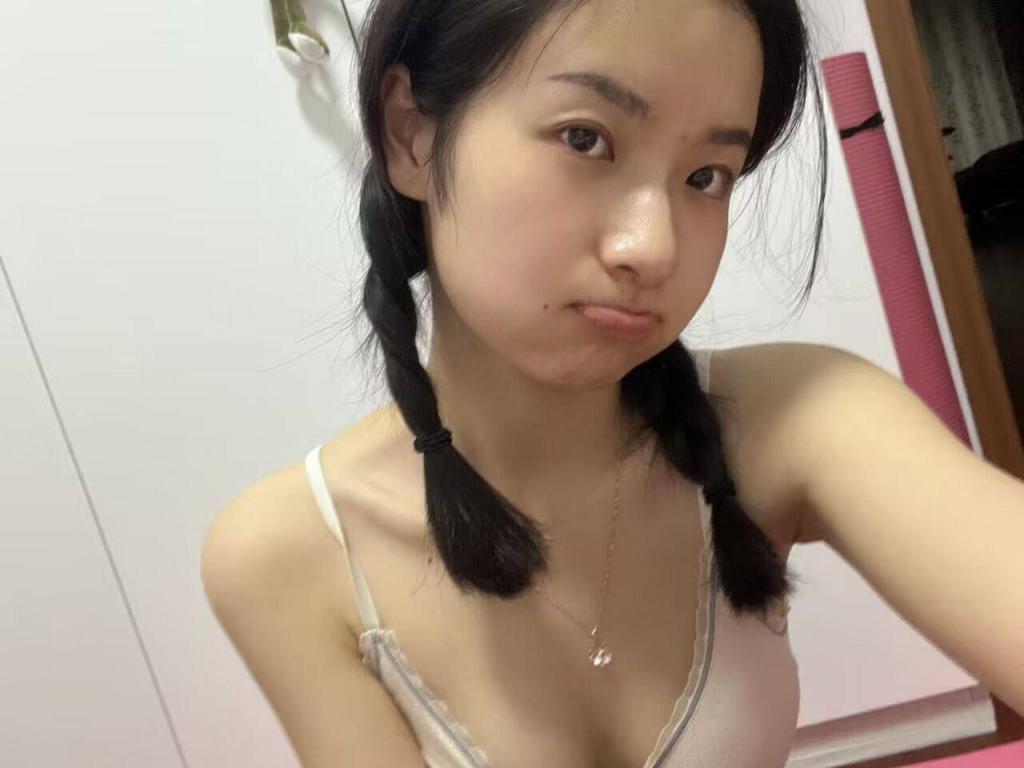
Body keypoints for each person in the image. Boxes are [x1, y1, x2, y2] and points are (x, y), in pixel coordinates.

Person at [204, 0, 834, 765]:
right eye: (585, 138)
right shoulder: (288, 554)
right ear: (410, 131)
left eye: (706, 177)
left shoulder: (787, 418)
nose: (653, 249)